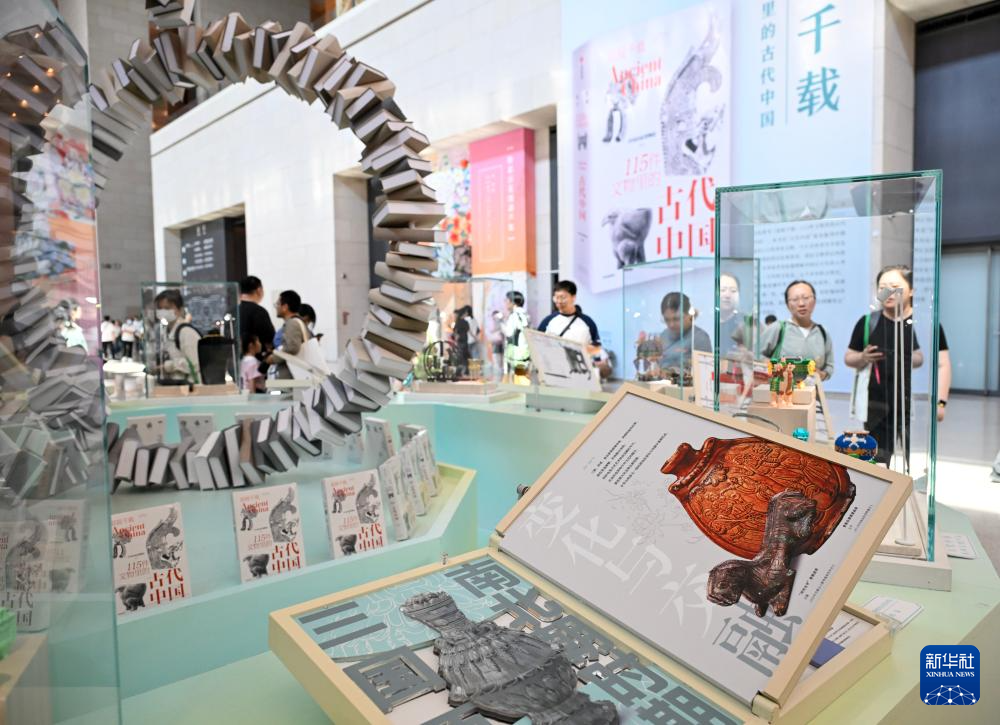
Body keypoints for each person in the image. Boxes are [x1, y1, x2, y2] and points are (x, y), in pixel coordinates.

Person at [845, 265, 945, 466]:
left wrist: (940, 402)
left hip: (906, 403)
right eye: (882, 287)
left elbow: (933, 360)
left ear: (911, 290)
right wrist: (864, 357)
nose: (888, 292)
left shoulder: (921, 323)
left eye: (894, 286)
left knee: (907, 457)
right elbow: (849, 357)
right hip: (875, 402)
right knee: (878, 458)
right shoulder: (868, 322)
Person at [759, 280, 834, 380]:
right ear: (787, 304)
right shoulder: (779, 328)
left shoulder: (822, 332)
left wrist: (821, 374)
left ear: (814, 301)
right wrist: (775, 366)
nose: (801, 303)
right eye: (795, 299)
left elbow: (829, 366)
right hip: (781, 388)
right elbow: (755, 355)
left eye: (806, 298)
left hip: (812, 389)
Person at [154, 288, 201, 385]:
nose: (163, 311)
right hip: (177, 385)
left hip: (191, 386)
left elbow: (195, 364)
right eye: (160, 308)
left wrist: (167, 366)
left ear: (180, 310)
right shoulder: (166, 331)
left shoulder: (186, 332)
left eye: (167, 308)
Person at [659, 291, 711, 371]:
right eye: (667, 320)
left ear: (689, 315)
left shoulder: (700, 338)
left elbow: (705, 371)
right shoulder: (663, 335)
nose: (671, 324)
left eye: (676, 319)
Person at [238, 275, 275, 377]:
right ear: (259, 290)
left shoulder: (231, 312)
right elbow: (269, 340)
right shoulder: (259, 312)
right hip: (257, 370)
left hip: (236, 367)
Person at [268, 289, 308, 379]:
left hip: (292, 376)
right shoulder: (298, 322)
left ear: (285, 307)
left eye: (277, 304)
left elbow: (292, 348)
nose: (276, 307)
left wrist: (273, 358)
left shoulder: (292, 323)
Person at [499, 291, 530, 378]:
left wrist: (500, 321)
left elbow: (508, 333)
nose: (505, 303)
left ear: (512, 302)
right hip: (524, 352)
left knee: (515, 379)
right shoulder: (525, 314)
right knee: (522, 377)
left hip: (515, 354)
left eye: (506, 300)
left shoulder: (514, 316)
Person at [718, 272, 743, 357]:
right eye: (723, 290)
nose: (727, 295)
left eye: (733, 291)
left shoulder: (746, 323)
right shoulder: (708, 322)